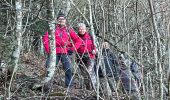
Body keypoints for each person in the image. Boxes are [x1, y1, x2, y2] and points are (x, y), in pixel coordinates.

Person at [42, 11, 82, 88]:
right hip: (54, 51)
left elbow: (79, 40)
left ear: (65, 20)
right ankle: (47, 85)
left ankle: (69, 86)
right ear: (57, 20)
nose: (61, 20)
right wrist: (49, 50)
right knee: (49, 67)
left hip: (65, 52)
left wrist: (73, 49)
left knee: (68, 69)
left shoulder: (68, 30)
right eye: (60, 19)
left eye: (63, 19)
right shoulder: (52, 29)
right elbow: (45, 39)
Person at [76, 23, 97, 90]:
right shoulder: (76, 37)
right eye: (80, 29)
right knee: (84, 73)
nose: (82, 30)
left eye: (83, 29)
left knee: (90, 71)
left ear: (85, 29)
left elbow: (95, 44)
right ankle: (88, 88)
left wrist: (95, 50)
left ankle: (95, 87)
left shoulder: (90, 36)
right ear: (78, 30)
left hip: (90, 56)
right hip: (80, 56)